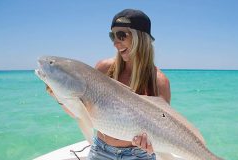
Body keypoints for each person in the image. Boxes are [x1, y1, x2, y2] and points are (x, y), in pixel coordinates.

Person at [47, 8, 171, 160]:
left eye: (121, 35)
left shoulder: (159, 81)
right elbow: (83, 115)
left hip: (138, 156)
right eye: (112, 36)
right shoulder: (104, 68)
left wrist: (151, 146)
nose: (115, 43)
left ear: (141, 37)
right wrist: (59, 97)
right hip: (100, 150)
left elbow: (165, 132)